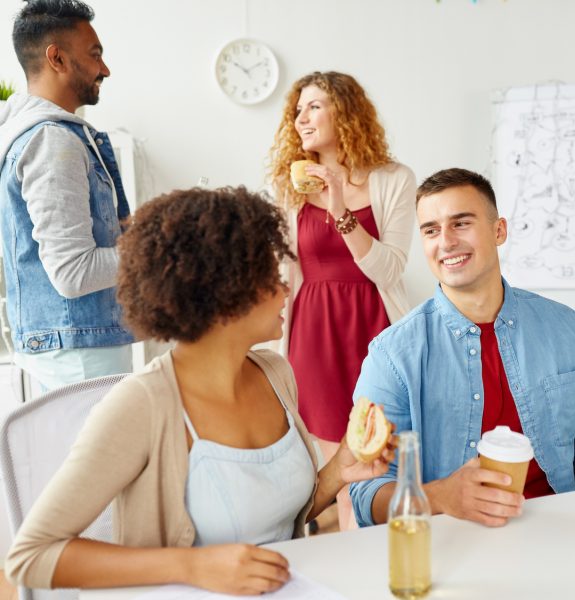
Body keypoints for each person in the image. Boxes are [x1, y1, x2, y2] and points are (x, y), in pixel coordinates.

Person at [4, 187, 394, 594]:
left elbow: (272, 519)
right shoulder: (142, 405)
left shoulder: (276, 373)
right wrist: (192, 566)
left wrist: (338, 471)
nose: (286, 289)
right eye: (269, 276)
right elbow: (30, 556)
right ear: (223, 292)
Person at [349, 168, 575, 528]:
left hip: (559, 527)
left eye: (461, 223)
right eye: (431, 230)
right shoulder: (392, 353)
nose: (445, 242)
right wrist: (441, 497)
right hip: (452, 536)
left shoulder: (564, 326)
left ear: (499, 231)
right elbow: (367, 493)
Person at [269, 71, 415, 526]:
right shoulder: (289, 188)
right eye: (297, 111)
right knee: (342, 468)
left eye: (313, 107)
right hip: (314, 334)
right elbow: (282, 269)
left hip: (377, 329)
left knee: (384, 456)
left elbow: (389, 268)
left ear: (345, 113)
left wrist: (341, 212)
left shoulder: (394, 179)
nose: (301, 120)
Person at [0, 0, 134, 391]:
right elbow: (73, 273)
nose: (105, 69)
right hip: (83, 358)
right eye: (95, 55)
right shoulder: (51, 140)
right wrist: (158, 250)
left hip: (75, 350)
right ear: (56, 58)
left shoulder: (39, 135)